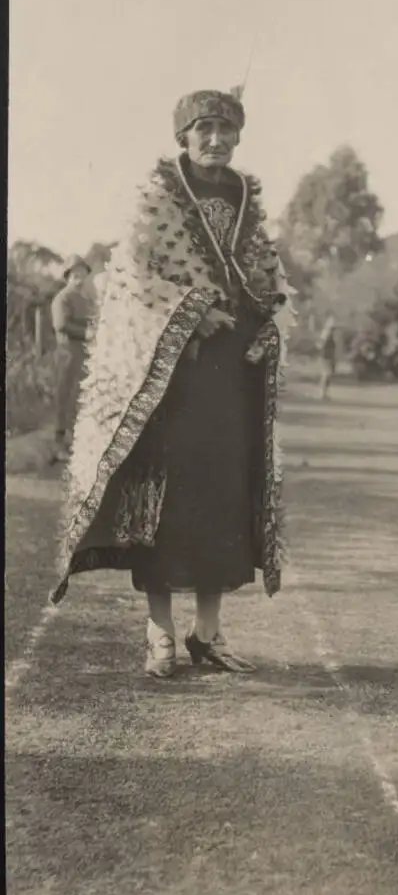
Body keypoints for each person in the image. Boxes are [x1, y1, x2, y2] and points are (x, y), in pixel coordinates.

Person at [50, 89, 296, 679]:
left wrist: (269, 325)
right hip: (171, 379)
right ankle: (159, 634)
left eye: (226, 130)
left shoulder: (243, 198)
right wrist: (191, 313)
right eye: (204, 128)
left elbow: (266, 278)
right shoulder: (159, 198)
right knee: (165, 504)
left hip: (230, 378)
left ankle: (207, 634)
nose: (216, 139)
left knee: (222, 498)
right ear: (183, 136)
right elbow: (133, 282)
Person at [50, 256, 95, 462]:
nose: (79, 279)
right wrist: (86, 333)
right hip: (67, 351)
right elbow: (61, 324)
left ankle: (78, 442)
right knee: (65, 394)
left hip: (84, 353)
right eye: (74, 275)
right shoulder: (62, 298)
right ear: (67, 277)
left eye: (82, 275)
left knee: (81, 395)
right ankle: (59, 445)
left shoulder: (85, 299)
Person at [318, 315, 337, 400]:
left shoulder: (328, 334)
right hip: (326, 356)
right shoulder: (326, 334)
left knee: (328, 375)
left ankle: (324, 393)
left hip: (328, 356)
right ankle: (323, 393)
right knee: (326, 374)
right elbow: (321, 345)